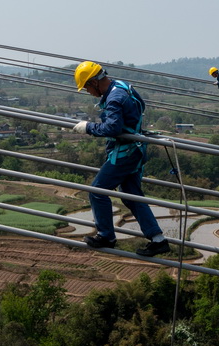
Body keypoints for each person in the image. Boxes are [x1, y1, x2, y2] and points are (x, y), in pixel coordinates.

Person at [71, 60, 171, 257]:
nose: (89, 93)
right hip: (134, 150)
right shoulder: (121, 86)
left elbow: (113, 128)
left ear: (94, 83)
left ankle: (106, 235)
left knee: (97, 191)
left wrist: (88, 127)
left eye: (87, 88)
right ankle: (158, 240)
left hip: (125, 154)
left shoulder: (114, 97)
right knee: (131, 195)